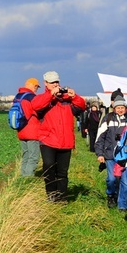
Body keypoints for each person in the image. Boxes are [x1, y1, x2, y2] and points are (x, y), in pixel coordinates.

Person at [30, 71, 86, 202]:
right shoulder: (44, 98)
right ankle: (51, 193)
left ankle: (62, 196)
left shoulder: (66, 99)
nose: (55, 84)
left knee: (62, 171)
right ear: (46, 83)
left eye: (57, 82)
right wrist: (51, 95)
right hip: (48, 139)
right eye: (52, 82)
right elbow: (35, 105)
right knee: (49, 166)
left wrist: (74, 96)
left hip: (65, 140)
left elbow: (82, 106)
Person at [95, 96, 127, 208]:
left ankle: (121, 203)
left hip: (124, 155)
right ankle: (110, 195)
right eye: (118, 107)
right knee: (112, 179)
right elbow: (100, 137)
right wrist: (100, 153)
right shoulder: (108, 119)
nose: (120, 109)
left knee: (124, 181)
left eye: (122, 107)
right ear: (114, 108)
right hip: (109, 154)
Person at [14, 78, 41, 177]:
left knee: (25, 155)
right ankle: (28, 178)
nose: (36, 89)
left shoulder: (18, 96)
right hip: (32, 131)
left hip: (21, 130)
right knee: (33, 156)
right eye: (36, 87)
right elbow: (37, 111)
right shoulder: (31, 97)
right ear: (33, 86)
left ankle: (22, 176)